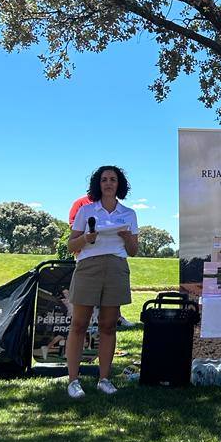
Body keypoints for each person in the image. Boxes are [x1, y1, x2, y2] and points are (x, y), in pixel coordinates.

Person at [65, 166, 139, 399]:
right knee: (79, 324)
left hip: (116, 267)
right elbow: (71, 245)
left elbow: (133, 251)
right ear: (98, 184)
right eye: (104, 179)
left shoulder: (129, 214)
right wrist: (86, 238)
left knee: (108, 325)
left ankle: (104, 379)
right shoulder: (86, 211)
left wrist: (128, 238)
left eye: (113, 179)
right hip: (88, 267)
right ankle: (73, 381)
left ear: (119, 184)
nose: (108, 183)